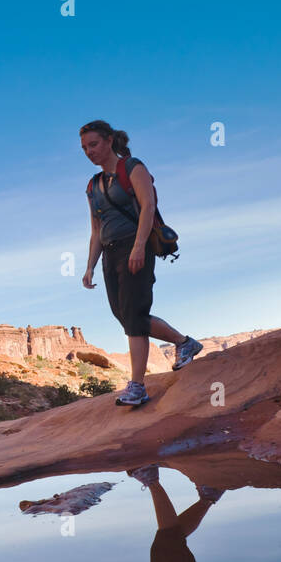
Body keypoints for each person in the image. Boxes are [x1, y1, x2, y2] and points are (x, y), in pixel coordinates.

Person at [80, 121, 203, 406]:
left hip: (136, 247)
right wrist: (90, 266)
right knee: (124, 316)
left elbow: (148, 206)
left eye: (94, 144)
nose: (89, 152)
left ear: (109, 141)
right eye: (85, 148)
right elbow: (96, 230)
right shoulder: (93, 185)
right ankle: (185, 343)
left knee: (134, 315)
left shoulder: (133, 168)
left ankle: (137, 387)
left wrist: (138, 246)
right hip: (110, 253)